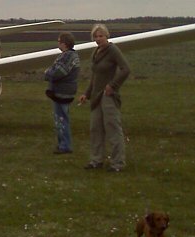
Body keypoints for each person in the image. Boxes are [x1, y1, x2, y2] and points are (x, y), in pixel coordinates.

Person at [78, 23, 131, 172]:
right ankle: (96, 160)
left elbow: (126, 69)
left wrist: (112, 86)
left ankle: (117, 163)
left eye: (101, 36)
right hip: (96, 97)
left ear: (107, 36)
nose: (98, 38)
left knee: (113, 128)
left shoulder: (113, 50)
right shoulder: (95, 52)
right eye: (96, 36)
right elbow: (94, 76)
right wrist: (86, 94)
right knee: (95, 129)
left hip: (108, 96)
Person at [44, 31, 80, 155]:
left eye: (59, 41)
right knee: (62, 118)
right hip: (64, 91)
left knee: (61, 119)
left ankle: (65, 145)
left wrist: (47, 73)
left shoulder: (67, 56)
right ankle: (62, 144)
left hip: (62, 93)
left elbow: (58, 71)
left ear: (64, 43)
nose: (58, 44)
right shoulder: (69, 55)